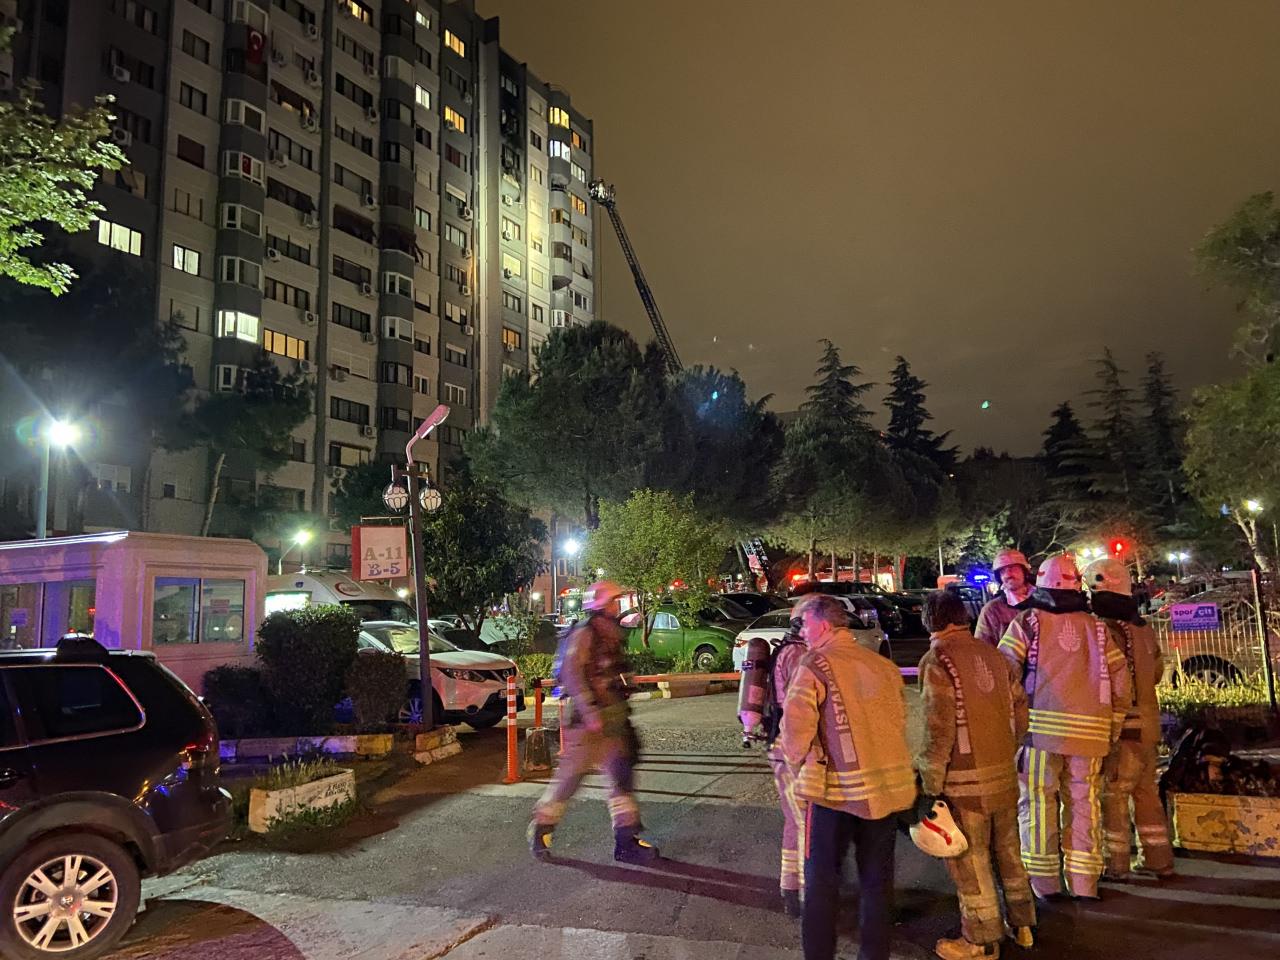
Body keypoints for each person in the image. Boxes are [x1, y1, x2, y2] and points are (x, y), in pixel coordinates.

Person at [781, 593, 917, 960]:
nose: (802, 633)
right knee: (877, 884)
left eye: (804, 625)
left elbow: (795, 732)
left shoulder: (814, 665)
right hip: (887, 794)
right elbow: (899, 723)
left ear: (822, 625)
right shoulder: (883, 667)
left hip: (834, 796)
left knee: (822, 885)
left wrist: (794, 768)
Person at [998, 555, 1131, 900]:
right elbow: (1121, 686)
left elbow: (1004, 674)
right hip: (1091, 738)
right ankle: (1085, 884)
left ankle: (1044, 885)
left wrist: (1011, 727)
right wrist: (1111, 729)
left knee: (1038, 806)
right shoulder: (1099, 629)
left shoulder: (1028, 622)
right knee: (1085, 804)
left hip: (1039, 736)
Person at [916, 590, 1035, 959]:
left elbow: (939, 728)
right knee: (1010, 854)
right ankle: (1024, 925)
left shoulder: (937, 659)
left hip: (964, 783)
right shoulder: (994, 654)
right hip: (1003, 774)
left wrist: (930, 783)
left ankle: (981, 942)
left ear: (931, 620)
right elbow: (1020, 714)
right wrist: (1003, 751)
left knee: (971, 862)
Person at [528, 580, 660, 865]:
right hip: (588, 724)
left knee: (620, 780)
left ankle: (626, 842)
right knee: (569, 781)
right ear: (601, 604)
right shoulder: (585, 633)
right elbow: (572, 672)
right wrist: (590, 711)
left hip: (612, 719)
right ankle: (541, 829)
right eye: (614, 600)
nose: (618, 605)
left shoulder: (608, 632)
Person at [1082, 558, 1175, 881]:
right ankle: (1159, 858)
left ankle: (1116, 863)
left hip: (1123, 729)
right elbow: (1159, 671)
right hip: (1150, 726)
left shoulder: (1105, 630)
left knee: (1114, 795)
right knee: (1147, 793)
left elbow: (1103, 679)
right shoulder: (1143, 627)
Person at [766, 614, 810, 917]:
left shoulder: (788, 649)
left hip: (783, 746)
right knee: (807, 821)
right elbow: (803, 706)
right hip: (792, 748)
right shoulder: (797, 654)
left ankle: (791, 888)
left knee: (795, 820)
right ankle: (808, 894)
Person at [974, 549, 1034, 646]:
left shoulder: (1045, 603)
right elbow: (982, 650)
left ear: (1024, 571)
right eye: (1002, 571)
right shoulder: (992, 610)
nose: (1008, 574)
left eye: (1012, 568)